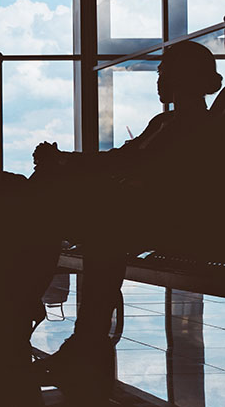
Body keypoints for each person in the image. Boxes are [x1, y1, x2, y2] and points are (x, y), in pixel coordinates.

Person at [32, 40, 223, 402]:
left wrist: (67, 164)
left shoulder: (198, 125)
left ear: (185, 78)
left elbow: (136, 168)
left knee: (98, 229)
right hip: (147, 218)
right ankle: (82, 339)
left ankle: (66, 330)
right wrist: (65, 163)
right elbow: (123, 160)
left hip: (174, 224)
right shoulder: (167, 121)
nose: (158, 78)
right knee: (87, 220)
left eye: (164, 71)